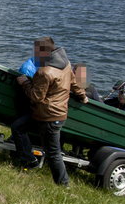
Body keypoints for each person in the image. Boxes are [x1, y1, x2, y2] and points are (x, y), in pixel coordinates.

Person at [12, 37, 88, 186]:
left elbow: (36, 97)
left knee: (53, 153)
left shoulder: (45, 72)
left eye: (36, 51)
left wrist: (24, 82)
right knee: (18, 127)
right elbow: (74, 83)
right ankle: (30, 160)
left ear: (44, 52)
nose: (34, 54)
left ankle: (63, 184)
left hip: (48, 116)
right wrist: (83, 96)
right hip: (56, 114)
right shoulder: (65, 64)